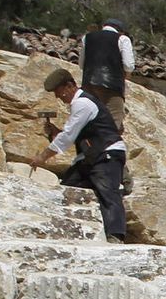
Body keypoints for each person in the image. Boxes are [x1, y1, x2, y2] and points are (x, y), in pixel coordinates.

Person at [32, 68, 127, 244]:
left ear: (70, 86)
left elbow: (68, 136)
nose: (58, 97)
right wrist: (56, 132)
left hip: (106, 154)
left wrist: (43, 157)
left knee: (108, 192)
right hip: (90, 157)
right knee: (68, 187)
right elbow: (77, 134)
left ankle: (116, 236)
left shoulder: (82, 103)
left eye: (59, 92)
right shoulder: (80, 104)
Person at [79, 18, 134, 125]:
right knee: (112, 124)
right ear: (121, 31)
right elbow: (128, 66)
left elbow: (81, 64)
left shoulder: (88, 37)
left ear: (104, 26)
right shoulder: (123, 39)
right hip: (112, 87)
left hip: (88, 85)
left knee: (89, 122)